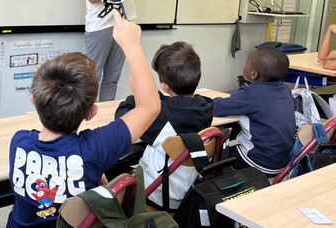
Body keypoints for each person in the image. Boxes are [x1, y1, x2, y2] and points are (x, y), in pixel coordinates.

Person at [6, 11, 160, 228]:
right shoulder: (93, 150)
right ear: (91, 112)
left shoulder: (18, 142)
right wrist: (132, 46)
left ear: (33, 100)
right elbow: (149, 107)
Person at [115, 41, 212, 210]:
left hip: (157, 196)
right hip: (189, 193)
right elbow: (176, 105)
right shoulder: (206, 106)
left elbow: (122, 121)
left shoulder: (159, 116)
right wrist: (152, 93)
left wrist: (136, 94)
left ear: (165, 86)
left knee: (113, 170)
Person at [213, 47, 295, 177]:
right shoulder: (285, 89)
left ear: (254, 74)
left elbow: (216, 108)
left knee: (216, 151)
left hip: (260, 162)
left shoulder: (250, 93)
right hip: (285, 161)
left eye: (246, 62)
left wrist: (216, 100)